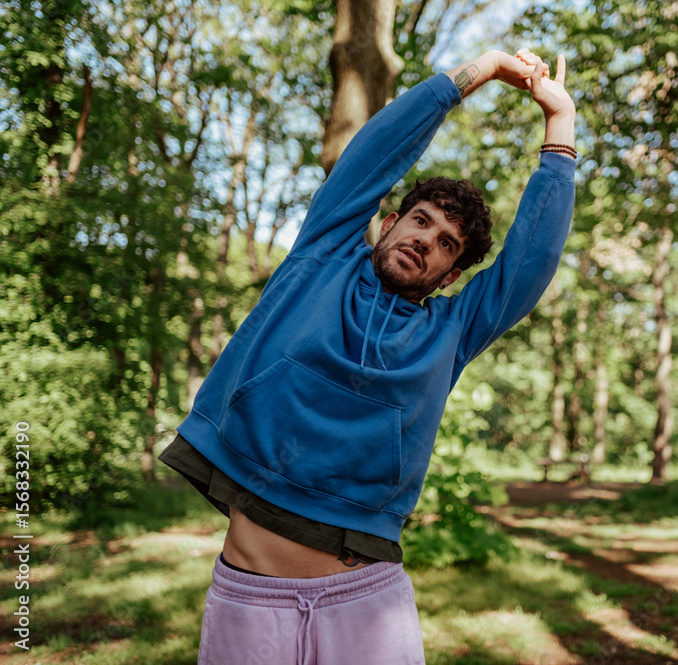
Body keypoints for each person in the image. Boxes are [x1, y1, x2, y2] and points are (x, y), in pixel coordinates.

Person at [159, 47, 576, 665]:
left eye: (444, 244)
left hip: (366, 606)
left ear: (450, 273)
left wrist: (560, 122)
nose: (423, 241)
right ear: (388, 222)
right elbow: (376, 150)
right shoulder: (321, 256)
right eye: (419, 220)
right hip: (250, 602)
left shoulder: (451, 330)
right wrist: (478, 72)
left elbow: (531, 260)